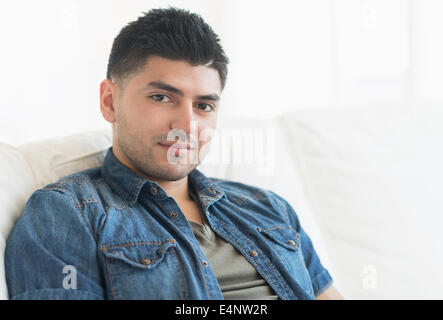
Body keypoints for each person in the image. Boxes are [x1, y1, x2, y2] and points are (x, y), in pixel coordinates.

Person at [5, 7, 342, 300]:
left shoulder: (270, 208)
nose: (187, 124)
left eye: (204, 105)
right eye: (162, 97)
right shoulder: (67, 213)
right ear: (110, 101)